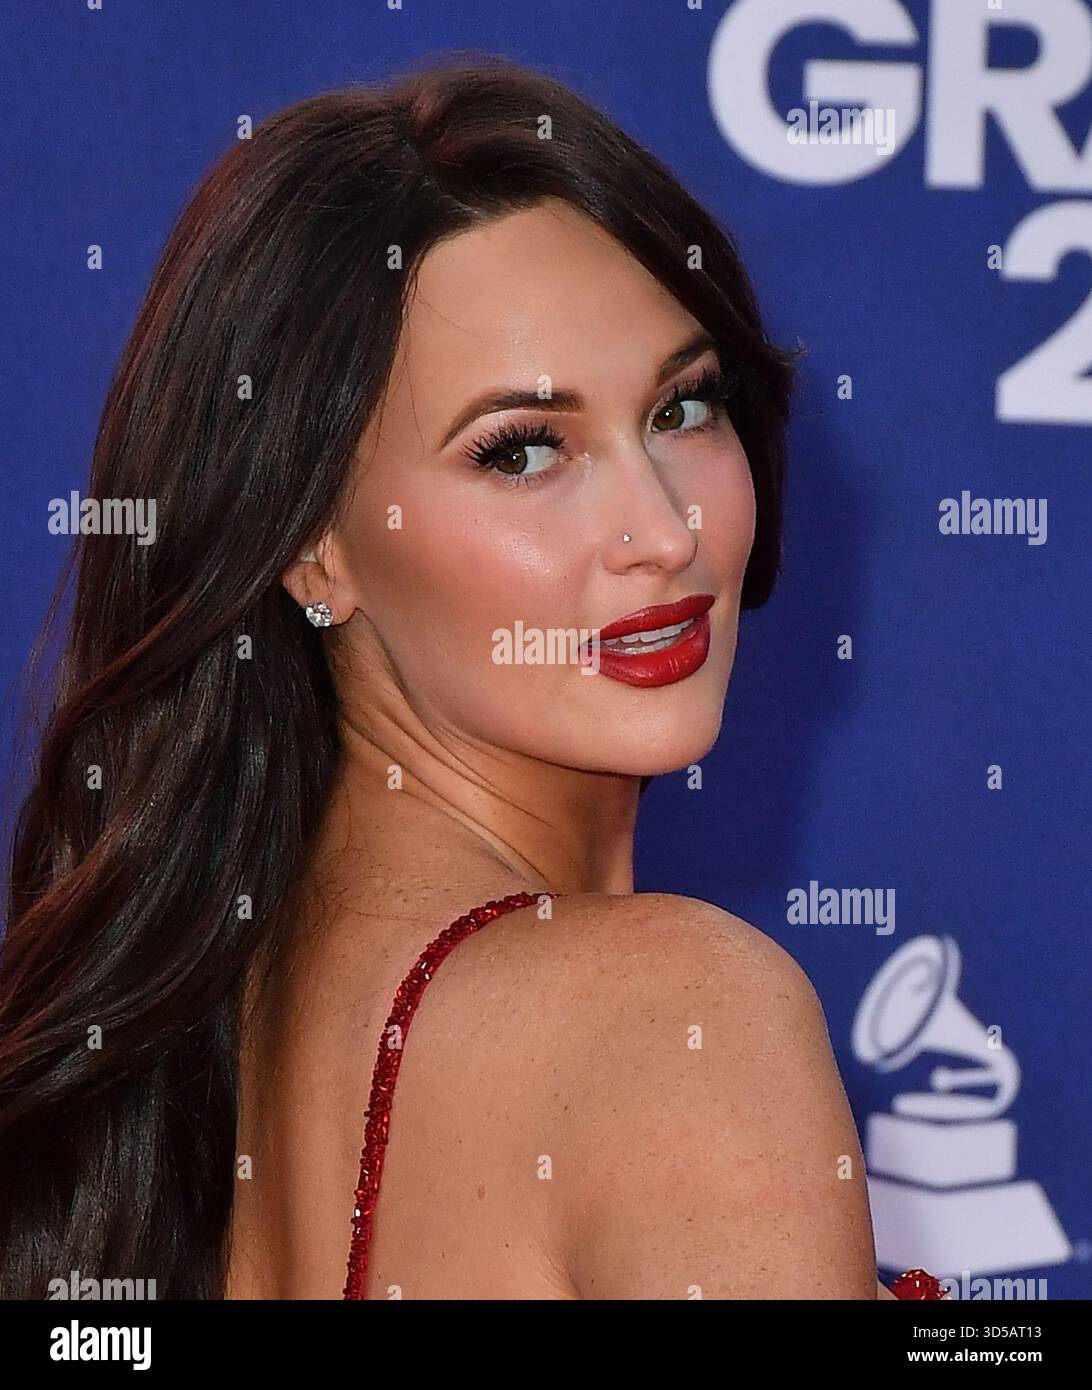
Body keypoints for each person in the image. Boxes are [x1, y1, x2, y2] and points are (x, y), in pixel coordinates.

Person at [0, 52, 941, 1301]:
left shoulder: (205, 1038)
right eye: (521, 452)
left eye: (682, 409)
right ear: (305, 543)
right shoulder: (678, 1017)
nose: (665, 531)